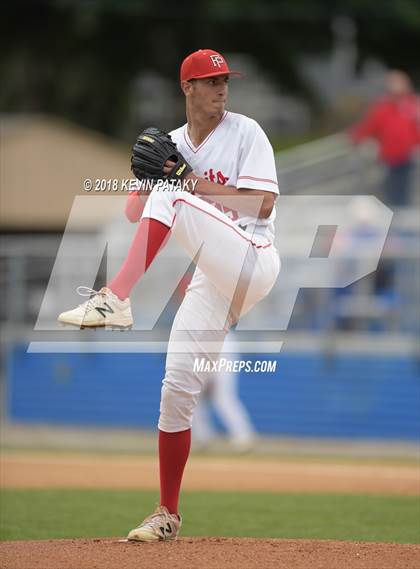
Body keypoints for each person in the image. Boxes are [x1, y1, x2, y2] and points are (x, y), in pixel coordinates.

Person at [58, 49, 280, 541]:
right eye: (211, 80)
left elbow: (262, 202)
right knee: (177, 388)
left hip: (254, 257)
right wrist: (143, 174)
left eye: (226, 80)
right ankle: (167, 513)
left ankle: (114, 296)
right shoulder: (173, 143)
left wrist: (181, 179)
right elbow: (135, 213)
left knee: (175, 188)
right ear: (188, 88)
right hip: (213, 277)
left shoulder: (246, 132)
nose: (222, 88)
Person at [349, 70, 419, 207]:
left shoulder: (413, 105)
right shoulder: (383, 108)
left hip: (410, 157)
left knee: (406, 192)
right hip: (391, 158)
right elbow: (369, 126)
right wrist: (356, 137)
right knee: (394, 192)